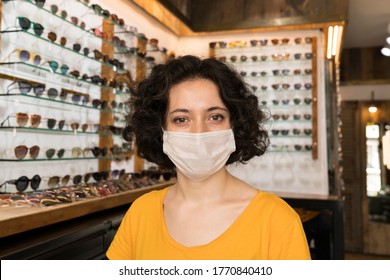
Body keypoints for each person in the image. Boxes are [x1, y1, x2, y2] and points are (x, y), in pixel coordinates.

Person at [106, 55, 311, 260]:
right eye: (181, 119)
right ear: (160, 130)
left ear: (234, 124)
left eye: (215, 117)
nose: (199, 132)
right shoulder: (142, 212)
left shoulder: (277, 221)